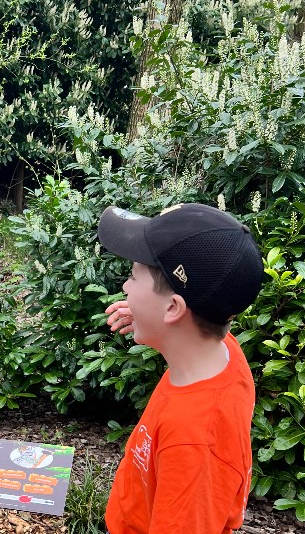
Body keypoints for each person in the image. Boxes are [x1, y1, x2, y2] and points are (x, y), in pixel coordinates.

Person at [97, 203, 263, 534]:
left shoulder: (196, 444)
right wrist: (152, 320)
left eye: (132, 276)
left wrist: (157, 320)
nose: (126, 288)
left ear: (173, 308)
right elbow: (190, 336)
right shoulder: (224, 355)